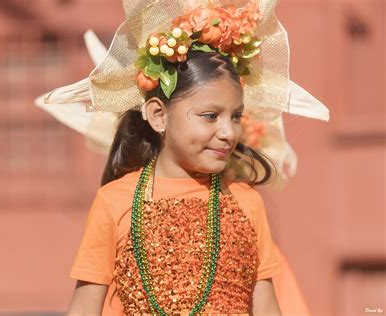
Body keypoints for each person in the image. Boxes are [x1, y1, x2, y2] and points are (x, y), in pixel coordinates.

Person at [34, 0, 329, 314]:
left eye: (236, 117)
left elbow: (268, 306)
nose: (229, 132)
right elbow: (84, 308)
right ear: (158, 116)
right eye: (210, 116)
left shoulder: (246, 202)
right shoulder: (115, 202)